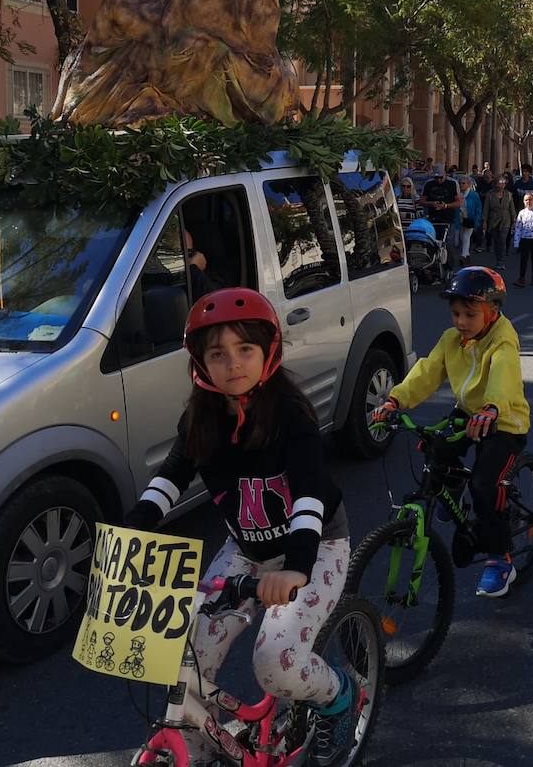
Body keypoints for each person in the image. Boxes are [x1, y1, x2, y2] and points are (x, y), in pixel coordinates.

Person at [122, 289, 359, 759]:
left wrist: (296, 568)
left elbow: (310, 490)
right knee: (187, 652)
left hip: (313, 549)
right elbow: (171, 475)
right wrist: (131, 529)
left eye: (245, 349)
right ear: (200, 362)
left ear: (268, 352)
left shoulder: (291, 415)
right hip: (246, 550)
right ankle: (197, 742)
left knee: (274, 663)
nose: (232, 363)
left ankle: (338, 699)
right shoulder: (200, 417)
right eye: (218, 353)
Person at [371, 267, 530, 597]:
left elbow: (504, 376)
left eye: (470, 314)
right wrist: (395, 401)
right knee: (434, 449)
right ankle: (453, 489)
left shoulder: (503, 340)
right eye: (456, 313)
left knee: (485, 485)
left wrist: (492, 407)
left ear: (493, 310)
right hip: (470, 412)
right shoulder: (451, 340)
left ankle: (501, 560)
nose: (460, 321)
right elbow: (426, 373)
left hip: (502, 419)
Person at [512, 191, 533, 287]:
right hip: (524, 239)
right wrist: (516, 243)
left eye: (530, 200)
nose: (528, 202)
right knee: (523, 259)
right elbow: (518, 228)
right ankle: (521, 278)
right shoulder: (522, 213)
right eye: (526, 200)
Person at [483, 174, 516, 271]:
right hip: (493, 219)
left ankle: (501, 262)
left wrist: (514, 219)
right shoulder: (490, 194)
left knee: (502, 240)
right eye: (500, 182)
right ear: (495, 183)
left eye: (503, 183)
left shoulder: (509, 194)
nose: (501, 185)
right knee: (496, 241)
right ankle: (498, 259)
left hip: (505, 220)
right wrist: (484, 221)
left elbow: (512, 208)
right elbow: (486, 209)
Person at [420, 166, 462, 242]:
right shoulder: (429, 184)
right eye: (436, 178)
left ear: (445, 174)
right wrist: (431, 203)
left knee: (448, 242)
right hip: (432, 217)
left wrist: (446, 206)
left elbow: (459, 202)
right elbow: (422, 201)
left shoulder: (452, 183)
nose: (438, 180)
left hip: (448, 218)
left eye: (440, 177)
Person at [458, 176, 483, 266]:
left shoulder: (474, 195)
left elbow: (478, 208)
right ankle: (467, 255)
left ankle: (463, 256)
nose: (461, 185)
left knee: (466, 237)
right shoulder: (458, 195)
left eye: (463, 183)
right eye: (460, 183)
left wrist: (477, 220)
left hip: (470, 218)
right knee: (461, 237)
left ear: (469, 185)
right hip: (460, 219)